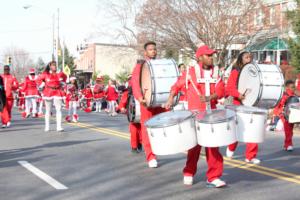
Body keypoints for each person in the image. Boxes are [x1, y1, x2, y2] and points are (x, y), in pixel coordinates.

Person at [165, 45, 226, 188]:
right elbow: (176, 87)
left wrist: (211, 96)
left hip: (211, 115)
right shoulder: (189, 73)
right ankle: (189, 172)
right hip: (195, 115)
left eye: (212, 56)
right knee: (194, 146)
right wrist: (170, 99)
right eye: (208, 56)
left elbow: (221, 90)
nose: (211, 58)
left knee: (213, 146)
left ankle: (213, 177)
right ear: (200, 57)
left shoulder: (216, 72)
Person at [131, 41, 167, 168]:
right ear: (145, 52)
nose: (153, 51)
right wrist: (140, 98)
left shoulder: (160, 64)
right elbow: (135, 83)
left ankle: (158, 149)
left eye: (155, 49)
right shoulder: (140, 66)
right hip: (146, 102)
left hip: (160, 101)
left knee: (162, 127)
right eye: (151, 49)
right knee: (146, 129)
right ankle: (150, 156)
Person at [225, 52, 261, 164]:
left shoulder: (256, 73)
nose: (249, 59)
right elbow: (229, 88)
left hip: (252, 105)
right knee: (237, 130)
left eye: (250, 57)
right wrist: (238, 94)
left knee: (253, 130)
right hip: (238, 104)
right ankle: (231, 147)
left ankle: (250, 156)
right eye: (246, 57)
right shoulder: (235, 72)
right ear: (241, 59)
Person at [38, 61, 67, 132]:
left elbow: (65, 77)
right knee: (48, 110)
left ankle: (59, 127)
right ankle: (47, 126)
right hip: (49, 91)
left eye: (55, 65)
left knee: (59, 109)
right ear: (50, 66)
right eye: (53, 65)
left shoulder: (60, 73)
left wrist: (63, 83)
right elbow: (38, 80)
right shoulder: (46, 74)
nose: (55, 66)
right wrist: (42, 84)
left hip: (57, 91)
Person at [118, 75, 142, 153]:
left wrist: (121, 108)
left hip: (133, 114)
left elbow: (122, 103)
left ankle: (135, 146)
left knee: (135, 129)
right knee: (138, 129)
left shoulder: (127, 92)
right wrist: (121, 108)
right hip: (138, 113)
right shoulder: (140, 89)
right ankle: (138, 145)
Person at [276, 80, 297, 151]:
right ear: (287, 87)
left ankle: (286, 145)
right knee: (288, 131)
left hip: (292, 116)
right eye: (292, 87)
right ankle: (289, 145)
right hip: (285, 116)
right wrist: (280, 114)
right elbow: (279, 106)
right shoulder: (284, 96)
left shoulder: (294, 96)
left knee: (290, 131)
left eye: (294, 87)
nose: (294, 89)